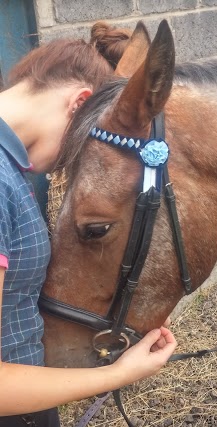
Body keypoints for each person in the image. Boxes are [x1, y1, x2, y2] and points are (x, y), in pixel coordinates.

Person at [0, 22, 177, 427]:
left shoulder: (11, 169)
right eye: (76, 153)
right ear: (79, 103)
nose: (67, 168)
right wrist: (117, 374)